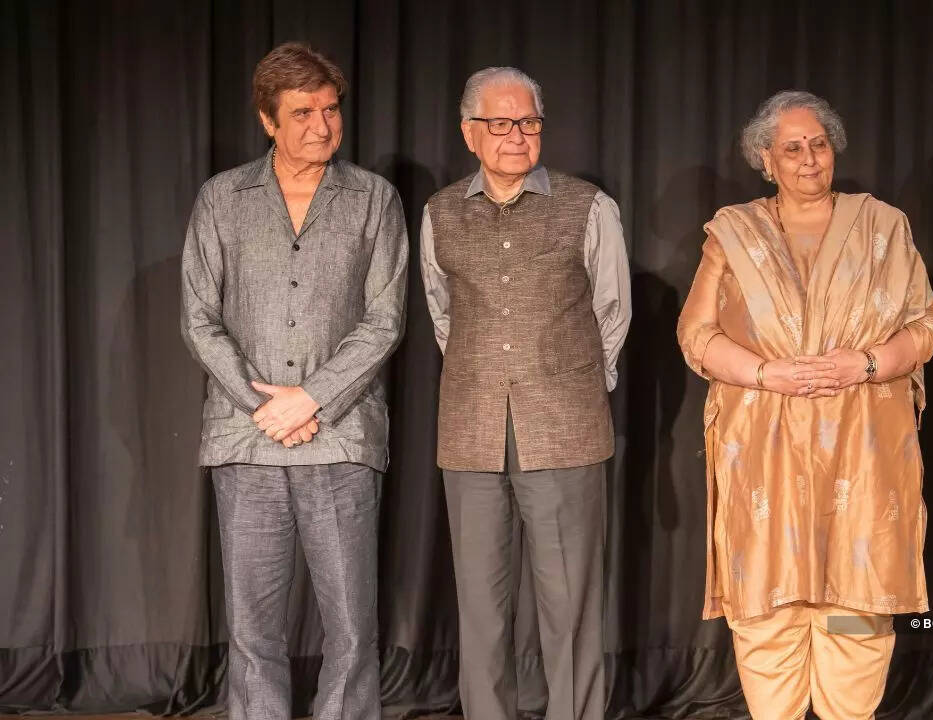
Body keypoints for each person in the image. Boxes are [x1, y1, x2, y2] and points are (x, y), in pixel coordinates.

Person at [676, 90, 933, 719]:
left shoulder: (883, 225)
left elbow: (926, 324)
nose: (807, 158)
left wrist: (866, 363)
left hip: (864, 451)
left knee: (857, 612)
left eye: (818, 143)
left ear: (834, 150)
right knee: (768, 612)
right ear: (765, 159)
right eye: (791, 147)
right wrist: (766, 373)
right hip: (763, 454)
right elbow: (697, 335)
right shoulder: (733, 232)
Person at [180, 42, 408, 720]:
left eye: (331, 110)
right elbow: (198, 319)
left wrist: (310, 398)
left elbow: (386, 318)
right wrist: (264, 405)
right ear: (267, 120)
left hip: (339, 438)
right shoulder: (222, 199)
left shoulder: (374, 199)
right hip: (245, 441)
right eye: (302, 112)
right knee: (253, 631)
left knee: (351, 627)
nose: (321, 126)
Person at [419, 66, 631, 720]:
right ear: (469, 133)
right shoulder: (439, 213)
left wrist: (570, 389)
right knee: (481, 613)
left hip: (565, 432)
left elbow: (612, 313)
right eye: (501, 123)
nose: (516, 135)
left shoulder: (588, 206)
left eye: (528, 122)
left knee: (569, 609)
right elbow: (442, 314)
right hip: (470, 433)